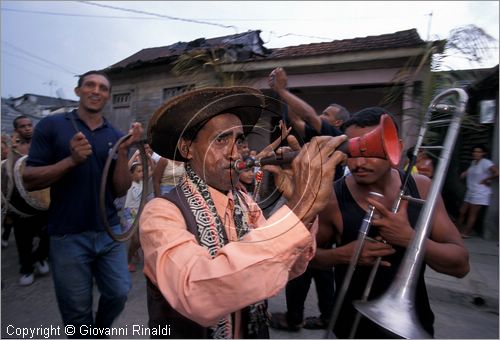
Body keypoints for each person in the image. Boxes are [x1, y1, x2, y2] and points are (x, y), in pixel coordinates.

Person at [140, 86, 347, 338]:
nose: (235, 152)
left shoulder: (247, 204)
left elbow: (289, 266)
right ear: (187, 149)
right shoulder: (160, 213)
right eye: (221, 140)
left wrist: (303, 205)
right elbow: (195, 293)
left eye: (239, 140)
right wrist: (301, 208)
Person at [312, 107, 470, 338]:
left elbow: (460, 265)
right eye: (353, 151)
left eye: (370, 149)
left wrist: (409, 238)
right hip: (353, 326)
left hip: (413, 325)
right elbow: (305, 259)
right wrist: (342, 255)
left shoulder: (422, 187)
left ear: (395, 145)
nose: (359, 163)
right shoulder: (333, 198)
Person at [23, 70, 143, 337]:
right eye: (90, 85)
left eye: (102, 87)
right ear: (78, 91)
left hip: (108, 233)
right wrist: (72, 160)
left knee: (119, 292)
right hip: (67, 235)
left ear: (108, 96)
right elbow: (30, 179)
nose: (96, 90)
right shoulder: (52, 126)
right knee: (77, 311)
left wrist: (123, 152)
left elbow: (121, 188)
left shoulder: (115, 134)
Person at [268, 67, 349, 330]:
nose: (321, 117)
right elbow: (298, 119)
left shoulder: (335, 137)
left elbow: (308, 116)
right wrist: (283, 99)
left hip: (317, 211)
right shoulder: (318, 138)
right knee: (321, 270)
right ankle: (325, 317)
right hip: (319, 214)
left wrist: (281, 89)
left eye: (327, 114)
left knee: (300, 268)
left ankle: (294, 319)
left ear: (336, 123)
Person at [9, 116, 50, 286]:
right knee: (23, 238)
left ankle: (39, 257)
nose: (27, 128)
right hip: (19, 203)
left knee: (49, 233)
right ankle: (26, 268)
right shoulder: (13, 149)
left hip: (43, 200)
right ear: (16, 130)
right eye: (22, 126)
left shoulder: (40, 145)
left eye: (29, 125)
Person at [458, 144, 499, 238]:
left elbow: (497, 173)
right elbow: (470, 172)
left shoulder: (486, 163)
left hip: (480, 192)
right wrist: (464, 173)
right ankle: (457, 230)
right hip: (471, 190)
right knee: (462, 211)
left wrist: (486, 180)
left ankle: (466, 233)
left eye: (479, 152)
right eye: (474, 151)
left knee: (472, 214)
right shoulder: (473, 162)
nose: (476, 153)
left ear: (483, 153)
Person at [123, 162, 144, 273]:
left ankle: (134, 251)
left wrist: (149, 159)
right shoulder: (129, 183)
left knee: (139, 241)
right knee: (135, 240)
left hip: (140, 213)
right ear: (131, 174)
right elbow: (126, 167)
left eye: (142, 171)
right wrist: (136, 153)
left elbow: (153, 170)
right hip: (130, 213)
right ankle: (128, 261)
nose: (141, 173)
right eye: (138, 171)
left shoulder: (142, 183)